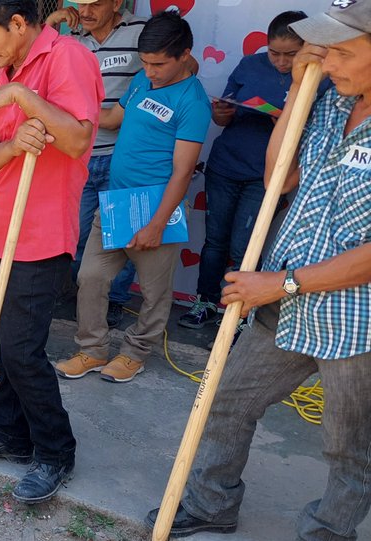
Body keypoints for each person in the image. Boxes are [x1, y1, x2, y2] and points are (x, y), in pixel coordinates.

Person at [146, 4, 371, 537]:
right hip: (284, 301)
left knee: (350, 445)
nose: (327, 61)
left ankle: (328, 530)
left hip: (354, 320)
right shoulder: (331, 103)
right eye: (325, 50)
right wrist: (298, 90)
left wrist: (282, 282)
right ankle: (209, 503)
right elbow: (278, 178)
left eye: (342, 51)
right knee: (225, 401)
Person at [0, 0, 103, 504]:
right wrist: (14, 145)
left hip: (41, 238)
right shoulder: (0, 80)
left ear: (18, 24)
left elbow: (79, 136)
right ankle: (12, 433)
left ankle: (54, 451)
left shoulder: (66, 58)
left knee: (22, 350)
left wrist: (25, 97)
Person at [55, 11, 210, 384]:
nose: (150, 70)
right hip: (116, 202)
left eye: (158, 63)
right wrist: (62, 111)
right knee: (90, 276)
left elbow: (182, 171)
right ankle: (91, 350)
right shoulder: (142, 80)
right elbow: (111, 120)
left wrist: (157, 223)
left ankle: (135, 353)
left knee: (155, 294)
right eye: (145, 62)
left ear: (184, 54)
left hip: (157, 208)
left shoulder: (193, 103)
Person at [177, 11, 327, 329]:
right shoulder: (249, 65)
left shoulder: (320, 76)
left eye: (291, 54)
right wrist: (222, 111)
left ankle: (240, 314)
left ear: (307, 47)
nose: (282, 62)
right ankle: (205, 302)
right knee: (215, 240)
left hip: (268, 177)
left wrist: (288, 124)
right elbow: (221, 120)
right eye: (274, 53)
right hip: (225, 165)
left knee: (246, 246)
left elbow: (321, 134)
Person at [46, 0, 142, 327]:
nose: (84, 11)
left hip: (122, 156)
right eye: (80, 4)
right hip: (79, 155)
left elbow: (175, 70)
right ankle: (77, 296)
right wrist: (52, 21)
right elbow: (36, 61)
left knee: (120, 235)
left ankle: (114, 301)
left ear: (117, 3)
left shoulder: (141, 33)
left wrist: (89, 118)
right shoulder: (69, 37)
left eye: (95, 4)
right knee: (76, 232)